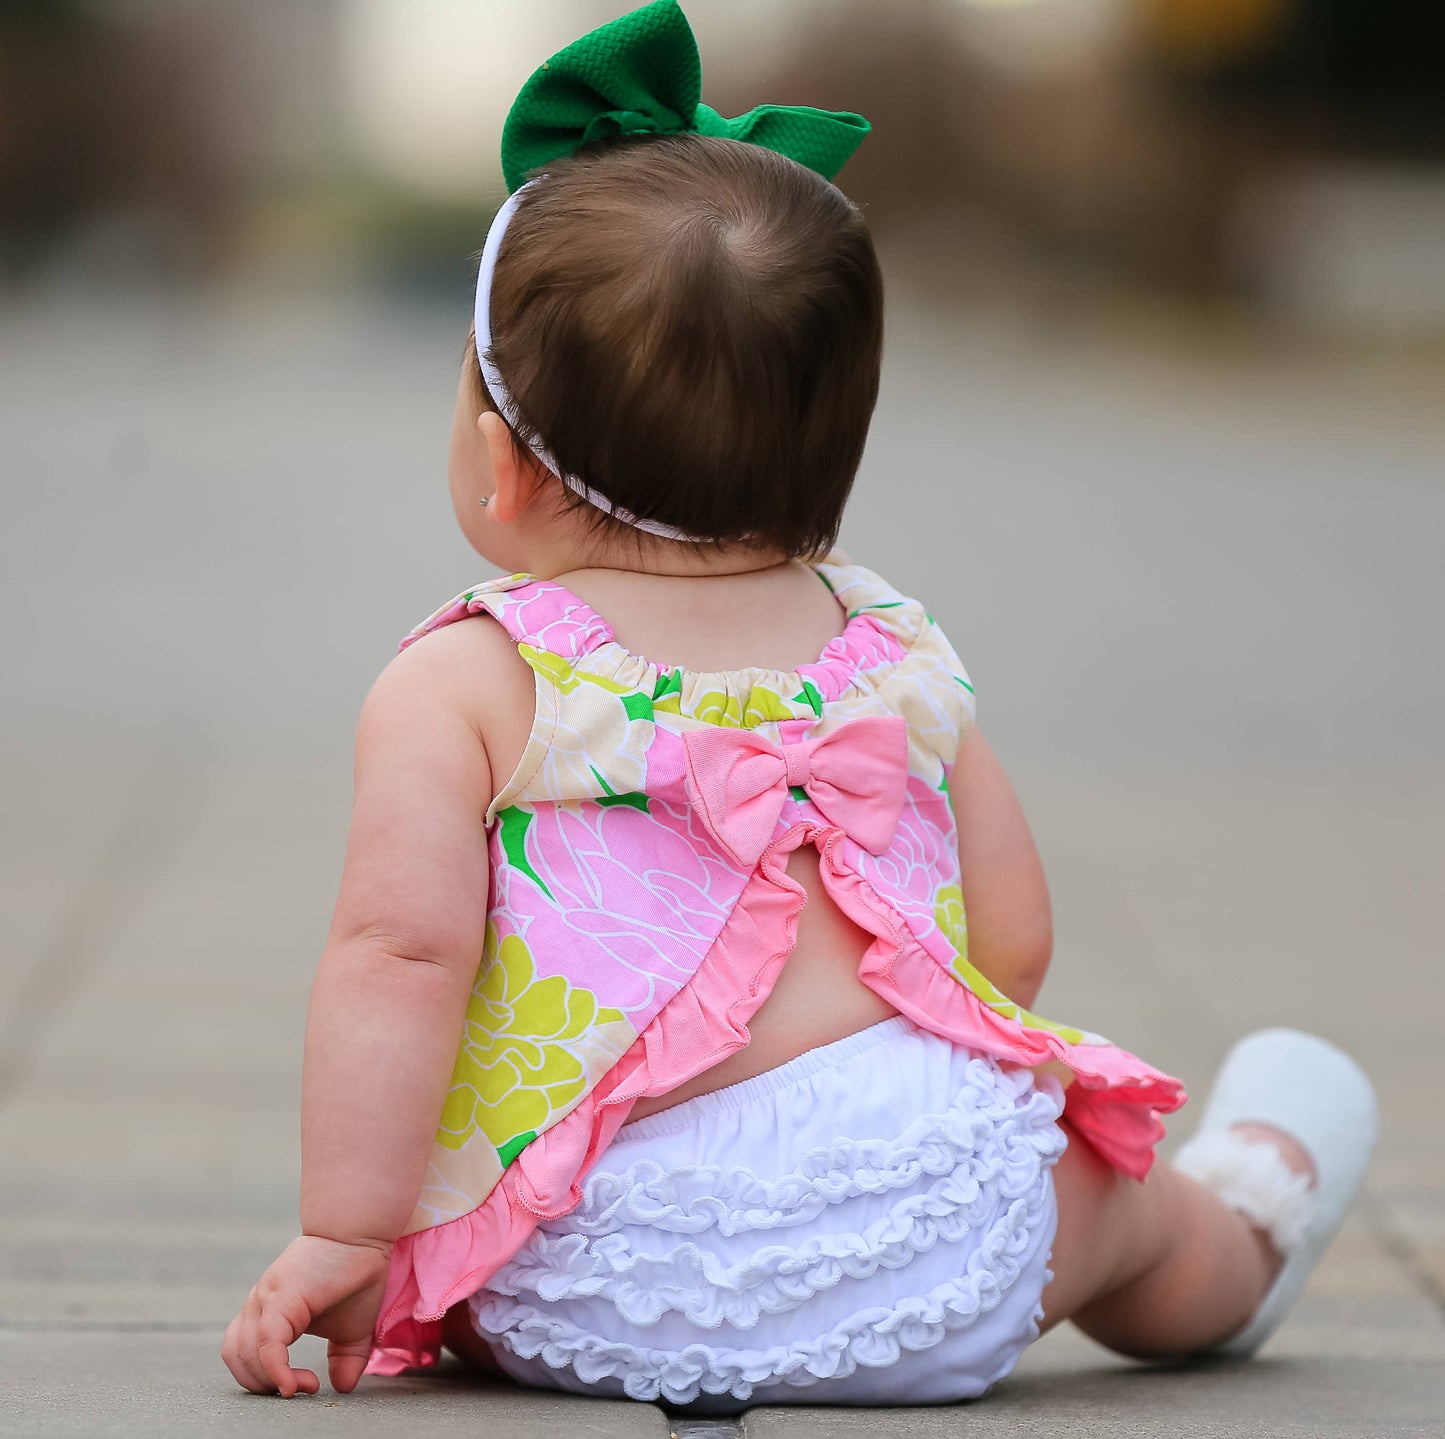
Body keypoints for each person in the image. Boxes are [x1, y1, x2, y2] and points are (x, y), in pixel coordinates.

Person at [222, 1, 1376, 1412]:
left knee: (508, 1189)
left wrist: (350, 1233)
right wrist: (890, 1120)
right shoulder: (889, 652)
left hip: (572, 1282)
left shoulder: (466, 681)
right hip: (933, 1258)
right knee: (1121, 1208)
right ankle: (1246, 1228)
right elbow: (1009, 941)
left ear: (495, 464)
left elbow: (397, 959)